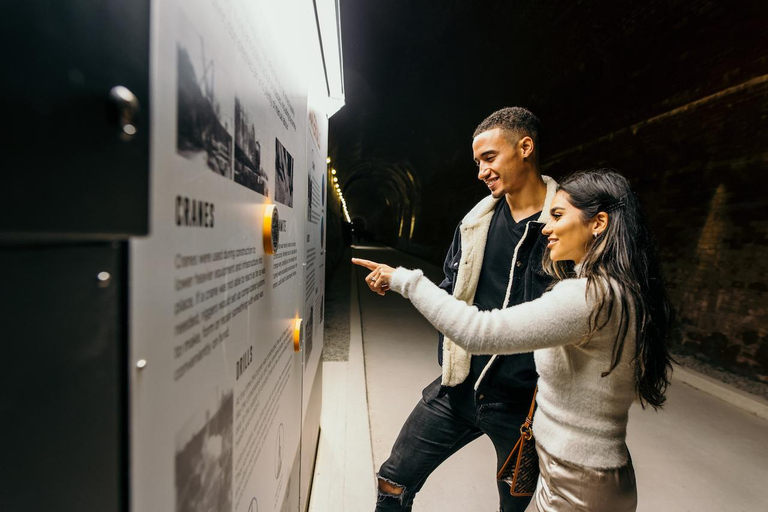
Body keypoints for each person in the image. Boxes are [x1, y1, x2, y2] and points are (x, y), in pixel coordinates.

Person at [353, 169, 675, 512]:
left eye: (557, 215)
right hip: (589, 475)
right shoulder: (621, 291)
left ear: (598, 223)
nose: (546, 227)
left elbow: (476, 332)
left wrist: (404, 280)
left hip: (577, 482)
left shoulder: (587, 297)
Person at [370, 107, 558, 512]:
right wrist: (402, 285)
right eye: (477, 163)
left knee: (516, 510)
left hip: (524, 409)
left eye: (489, 158)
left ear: (525, 147)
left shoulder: (564, 227)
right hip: (458, 389)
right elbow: (450, 292)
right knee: (393, 481)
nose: (481, 172)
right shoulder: (474, 223)